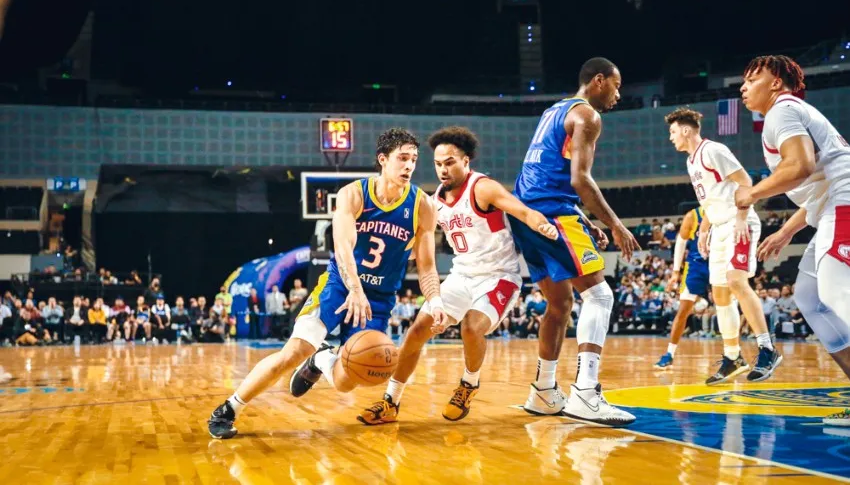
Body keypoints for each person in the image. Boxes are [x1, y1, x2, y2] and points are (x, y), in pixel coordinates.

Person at [207, 128, 446, 439]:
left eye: (414, 160)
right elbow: (343, 247)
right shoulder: (353, 194)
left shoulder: (423, 206)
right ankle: (229, 408)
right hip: (339, 286)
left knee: (350, 378)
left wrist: (436, 300)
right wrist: (355, 289)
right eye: (402, 158)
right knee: (294, 350)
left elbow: (426, 265)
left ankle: (321, 358)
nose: (409, 166)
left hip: (379, 299)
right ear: (383, 160)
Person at [357, 126, 562, 424]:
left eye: (450, 161)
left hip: (499, 277)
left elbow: (522, 210)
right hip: (461, 276)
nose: (443, 168)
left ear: (466, 161)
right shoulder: (432, 202)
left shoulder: (483, 187)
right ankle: (391, 402)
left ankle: (469, 384)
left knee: (471, 327)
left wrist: (540, 224)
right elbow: (415, 247)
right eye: (439, 163)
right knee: (416, 332)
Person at [510, 57, 639, 426]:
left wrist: (582, 218)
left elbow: (548, 172)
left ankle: (543, 390)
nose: (618, 93)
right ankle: (585, 393)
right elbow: (580, 179)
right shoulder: (588, 117)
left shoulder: (555, 111)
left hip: (527, 213)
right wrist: (615, 225)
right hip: (551, 214)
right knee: (600, 295)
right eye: (616, 85)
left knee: (560, 303)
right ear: (598, 81)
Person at [735, 55, 850, 425]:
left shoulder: (781, 110)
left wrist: (751, 194)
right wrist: (786, 230)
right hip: (831, 204)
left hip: (844, 200)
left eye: (753, 79)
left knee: (836, 295)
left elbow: (797, 166)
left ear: (776, 83)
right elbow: (814, 183)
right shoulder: (789, 113)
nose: (743, 86)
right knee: (811, 298)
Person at [665, 107, 781, 384]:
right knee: (720, 295)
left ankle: (767, 348)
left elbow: (745, 181)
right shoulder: (691, 162)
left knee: (737, 281)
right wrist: (704, 229)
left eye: (672, 132)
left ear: (685, 130)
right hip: (718, 227)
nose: (671, 138)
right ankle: (733, 357)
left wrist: (741, 217)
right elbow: (709, 201)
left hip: (738, 222)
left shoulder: (713, 150)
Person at [654, 208, 709, 369]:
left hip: (720, 262)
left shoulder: (726, 208)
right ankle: (669, 353)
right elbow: (680, 242)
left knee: (728, 305)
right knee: (683, 311)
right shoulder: (693, 216)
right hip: (695, 266)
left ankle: (733, 353)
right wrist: (676, 272)